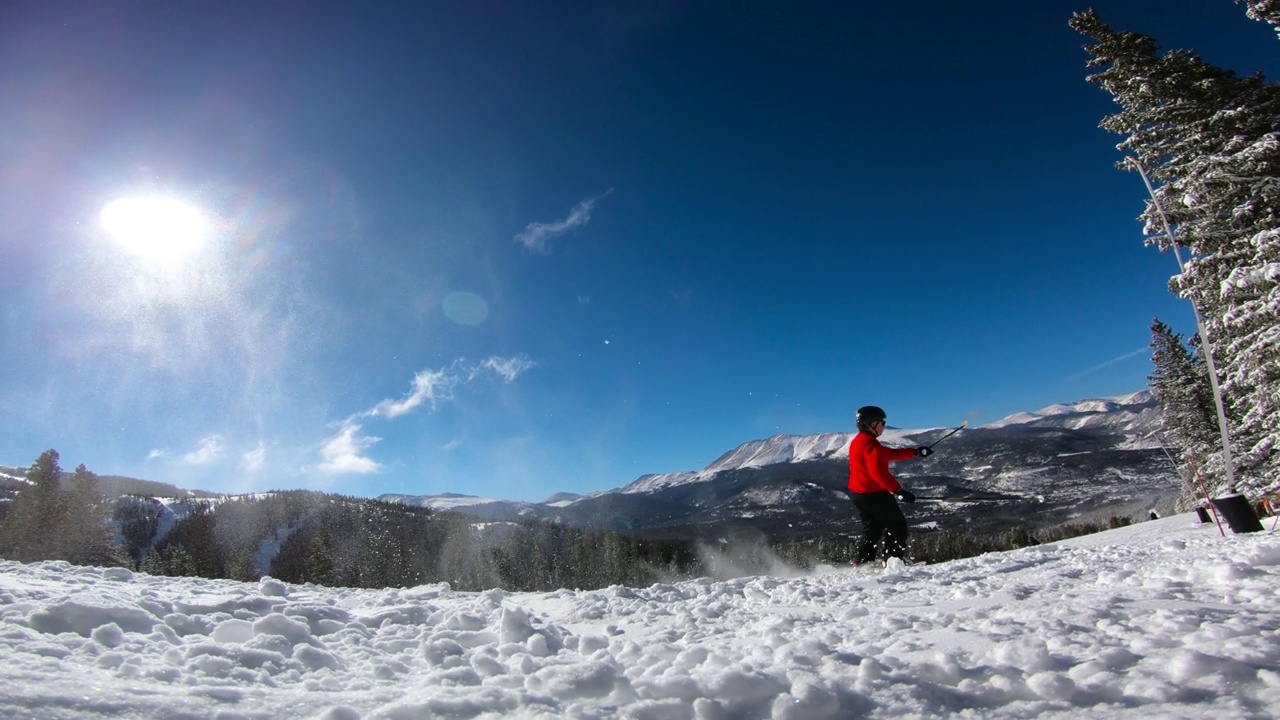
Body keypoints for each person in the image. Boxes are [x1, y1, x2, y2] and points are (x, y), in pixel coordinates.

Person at [847, 405, 933, 565]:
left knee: (873, 528)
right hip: (873, 494)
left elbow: (888, 454)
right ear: (872, 424)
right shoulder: (871, 445)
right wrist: (898, 491)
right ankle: (893, 561)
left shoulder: (860, 441)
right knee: (897, 525)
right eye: (882, 422)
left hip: (859, 493)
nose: (884, 426)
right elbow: (878, 474)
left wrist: (916, 452)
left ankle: (863, 562)